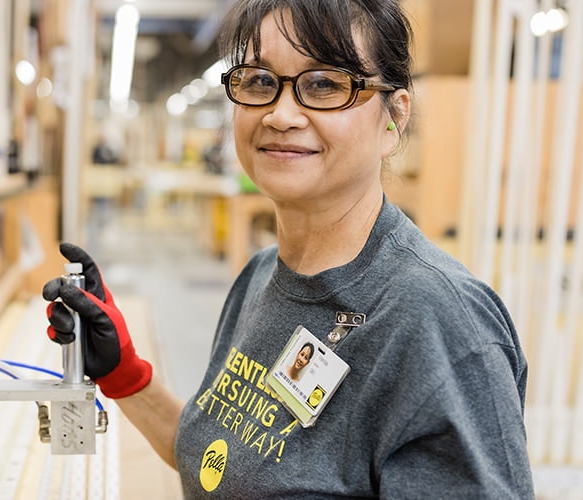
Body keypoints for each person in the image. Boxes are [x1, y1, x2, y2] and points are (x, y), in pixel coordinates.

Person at [41, 0, 534, 497]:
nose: (280, 114)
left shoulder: (437, 322)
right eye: (258, 81)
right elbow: (222, 465)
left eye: (324, 85)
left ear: (393, 119)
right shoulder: (260, 277)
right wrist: (124, 374)